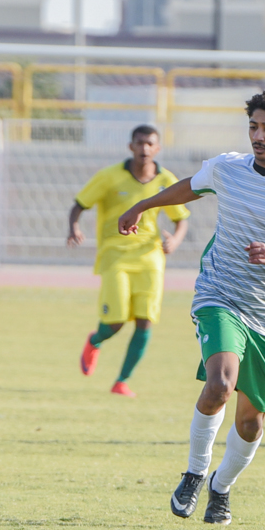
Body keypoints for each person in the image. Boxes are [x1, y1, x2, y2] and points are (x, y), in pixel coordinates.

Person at [117, 89, 265, 525]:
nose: (257, 135)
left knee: (251, 423)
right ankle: (195, 473)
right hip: (220, 295)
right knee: (220, 385)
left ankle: (221, 486)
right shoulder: (229, 167)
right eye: (253, 126)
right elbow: (190, 189)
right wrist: (143, 204)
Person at [67, 125, 190, 397]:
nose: (144, 149)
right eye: (140, 143)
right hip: (116, 256)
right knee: (117, 321)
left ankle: (122, 381)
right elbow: (79, 204)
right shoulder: (110, 177)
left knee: (145, 320)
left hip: (150, 259)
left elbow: (181, 218)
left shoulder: (166, 179)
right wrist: (74, 226)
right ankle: (95, 340)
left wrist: (175, 240)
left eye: (150, 144)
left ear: (157, 148)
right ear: (130, 146)